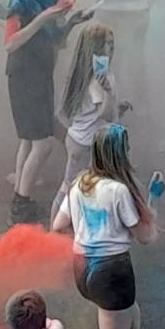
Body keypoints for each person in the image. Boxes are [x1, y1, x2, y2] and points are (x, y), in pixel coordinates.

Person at [50, 124, 157, 329]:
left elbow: (58, 226)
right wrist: (153, 199)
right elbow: (146, 236)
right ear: (120, 153)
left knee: (132, 321)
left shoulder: (80, 184)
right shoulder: (118, 190)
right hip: (112, 273)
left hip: (83, 269)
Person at [4, 0, 90, 226]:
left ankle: (21, 199)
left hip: (41, 76)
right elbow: (11, 42)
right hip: (25, 78)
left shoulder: (42, 3)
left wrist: (71, 23)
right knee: (42, 145)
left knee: (29, 141)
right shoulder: (21, 2)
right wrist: (46, 16)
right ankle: (21, 205)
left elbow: (56, 42)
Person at [53, 24, 120, 225]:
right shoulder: (99, 80)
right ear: (96, 48)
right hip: (85, 144)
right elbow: (105, 115)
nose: (112, 48)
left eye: (113, 43)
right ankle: (55, 233)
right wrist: (108, 94)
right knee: (71, 191)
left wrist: (117, 104)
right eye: (108, 44)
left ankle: (64, 233)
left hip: (79, 139)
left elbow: (91, 111)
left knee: (79, 189)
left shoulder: (86, 73)